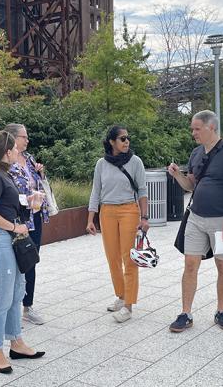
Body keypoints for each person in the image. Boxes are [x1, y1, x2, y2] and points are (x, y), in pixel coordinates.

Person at [167, 110, 223, 333]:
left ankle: (221, 311)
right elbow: (190, 185)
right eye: (192, 129)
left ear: (211, 127)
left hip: (222, 222)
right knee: (190, 264)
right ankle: (185, 313)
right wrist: (176, 175)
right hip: (196, 218)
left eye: (196, 128)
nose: (193, 133)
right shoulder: (196, 153)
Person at [0, 131, 45, 374]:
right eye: (15, 148)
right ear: (7, 152)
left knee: (17, 292)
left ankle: (16, 342)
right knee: (3, 298)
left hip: (10, 240)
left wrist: (31, 203)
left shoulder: (3, 175)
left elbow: (8, 208)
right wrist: (14, 226)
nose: (19, 151)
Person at [86, 125, 149, 323]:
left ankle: (128, 306)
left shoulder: (135, 162)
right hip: (107, 212)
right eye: (122, 139)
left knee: (128, 258)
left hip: (129, 210)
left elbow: (142, 190)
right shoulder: (101, 164)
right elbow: (96, 191)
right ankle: (121, 296)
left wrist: (144, 218)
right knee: (112, 257)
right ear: (112, 142)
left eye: (127, 138)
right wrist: (90, 219)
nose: (126, 141)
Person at [4, 123, 48, 325]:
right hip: (17, 219)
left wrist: (40, 173)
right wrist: (25, 199)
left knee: (31, 260)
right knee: (14, 262)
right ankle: (10, 305)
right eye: (24, 136)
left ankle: (27, 306)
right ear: (13, 138)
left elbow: (36, 183)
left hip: (35, 216)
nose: (27, 140)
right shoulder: (4, 162)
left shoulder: (29, 158)